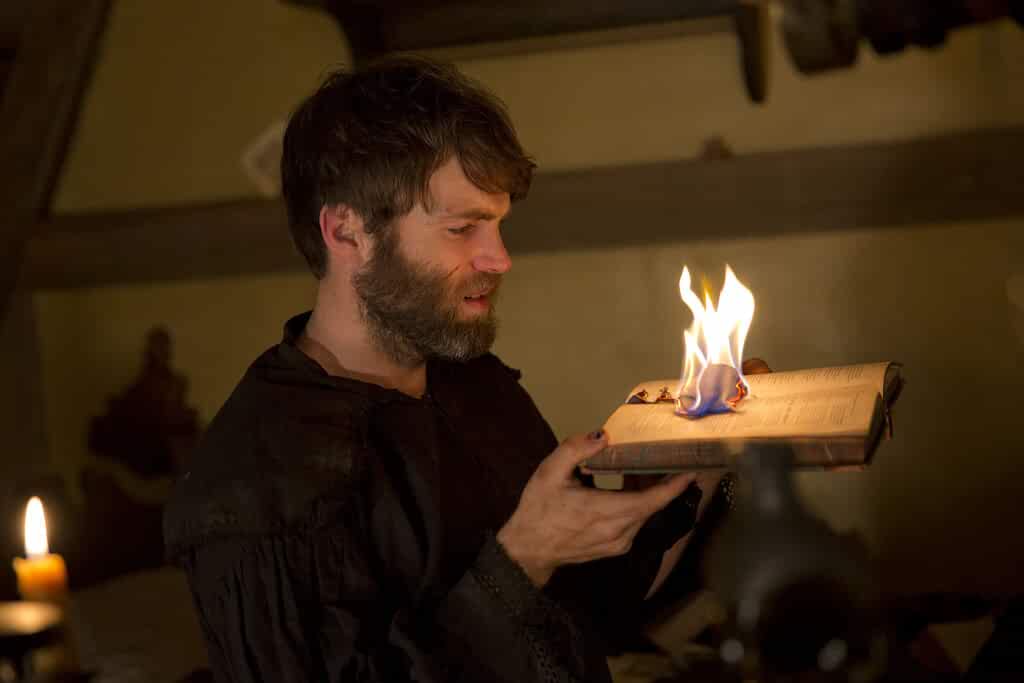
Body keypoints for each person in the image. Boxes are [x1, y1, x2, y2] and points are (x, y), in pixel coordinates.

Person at [164, 57, 732, 682]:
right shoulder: (255, 486)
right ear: (347, 232)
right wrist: (520, 561)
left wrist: (705, 452)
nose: (500, 259)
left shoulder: (475, 385)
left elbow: (595, 610)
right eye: (463, 229)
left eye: (498, 225)